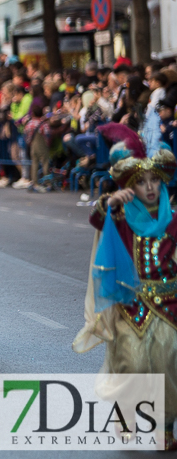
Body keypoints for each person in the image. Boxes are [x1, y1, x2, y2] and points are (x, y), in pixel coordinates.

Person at [73, 122, 177, 451]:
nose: (148, 187)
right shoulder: (119, 216)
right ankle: (127, 414)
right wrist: (110, 200)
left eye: (154, 181)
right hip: (130, 304)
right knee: (131, 362)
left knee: (167, 362)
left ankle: (165, 424)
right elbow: (94, 218)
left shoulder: (174, 219)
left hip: (169, 304)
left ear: (162, 184)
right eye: (141, 182)